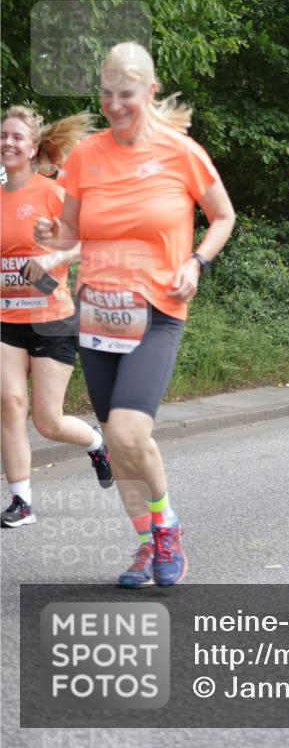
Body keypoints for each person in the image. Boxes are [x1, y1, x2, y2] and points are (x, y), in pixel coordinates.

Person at [35, 42, 236, 585]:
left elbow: (222, 216)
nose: (114, 104)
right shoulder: (85, 157)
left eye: (126, 94)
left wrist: (197, 261)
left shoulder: (180, 153)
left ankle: (166, 525)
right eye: (106, 93)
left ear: (149, 91)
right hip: (98, 308)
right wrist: (50, 236)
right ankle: (146, 545)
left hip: (159, 308)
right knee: (119, 442)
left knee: (126, 431)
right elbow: (71, 231)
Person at [1, 106, 112, 528]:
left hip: (51, 317)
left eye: (16, 137)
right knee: (9, 405)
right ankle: (21, 501)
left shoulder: (52, 192)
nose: (8, 143)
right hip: (6, 318)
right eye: (2, 136)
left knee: (48, 421)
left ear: (32, 148)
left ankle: (96, 443)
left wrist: (52, 259)